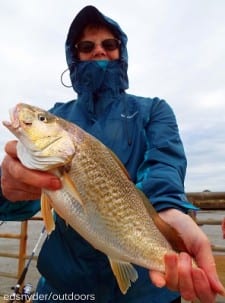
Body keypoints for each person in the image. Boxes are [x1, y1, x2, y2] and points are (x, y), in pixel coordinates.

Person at [0, 6, 224, 303]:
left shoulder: (154, 110)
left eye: (109, 44)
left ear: (122, 51)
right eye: (86, 46)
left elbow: (163, 167)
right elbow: (18, 203)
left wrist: (168, 214)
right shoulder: (59, 114)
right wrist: (8, 190)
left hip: (147, 293)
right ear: (73, 55)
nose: (98, 51)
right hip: (64, 290)